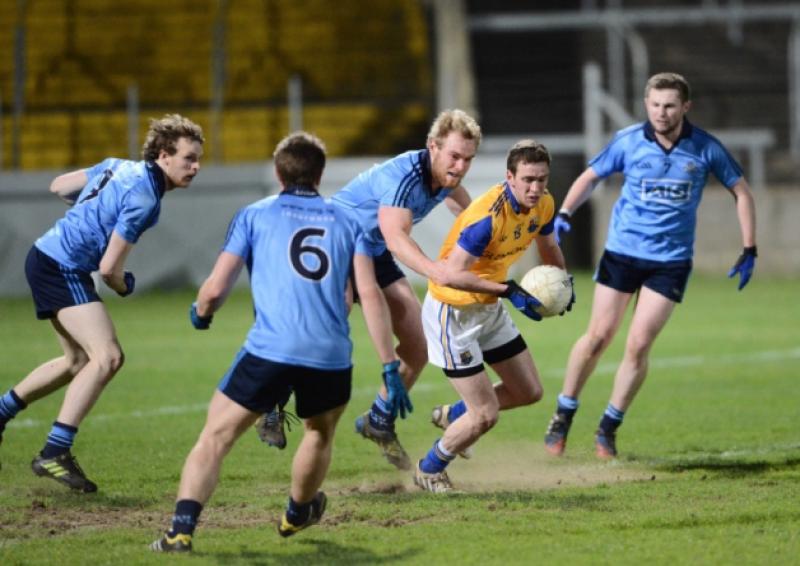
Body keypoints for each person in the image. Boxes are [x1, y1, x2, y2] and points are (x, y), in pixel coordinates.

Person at [150, 132, 399, 552]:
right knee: (318, 434)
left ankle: (180, 532)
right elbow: (368, 294)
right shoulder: (349, 222)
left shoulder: (254, 215)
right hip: (330, 352)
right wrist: (390, 363)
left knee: (215, 437)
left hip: (271, 348)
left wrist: (202, 313)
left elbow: (214, 289)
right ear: (319, 175)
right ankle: (297, 511)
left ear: (277, 172)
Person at [543, 72, 757, 459]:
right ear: (647, 105)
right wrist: (565, 211)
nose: (662, 112)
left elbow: (741, 191)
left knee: (639, 344)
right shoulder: (628, 141)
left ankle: (608, 428)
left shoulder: (705, 148)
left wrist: (749, 247)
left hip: (670, 262)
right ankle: (563, 414)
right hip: (622, 253)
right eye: (655, 104)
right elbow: (592, 175)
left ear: (685, 107)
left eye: (670, 105)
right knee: (598, 337)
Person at [256, 109, 482, 471]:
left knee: (418, 343)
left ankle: (379, 419)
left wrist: (492, 237)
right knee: (323, 334)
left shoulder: (447, 178)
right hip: (337, 245)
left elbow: (470, 214)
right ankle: (270, 403)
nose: (460, 166)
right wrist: (439, 272)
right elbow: (396, 238)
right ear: (433, 147)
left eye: (468, 159)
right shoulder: (407, 177)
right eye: (454, 156)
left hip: (372, 252)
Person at [0, 114, 204, 490]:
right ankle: (54, 452)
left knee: (77, 360)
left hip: (47, 256)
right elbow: (110, 270)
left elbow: (59, 187)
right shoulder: (145, 197)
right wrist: (125, 286)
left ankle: (2, 411)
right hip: (62, 266)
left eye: (197, 159)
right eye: (189, 158)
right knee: (108, 357)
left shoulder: (117, 166)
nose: (196, 167)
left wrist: (93, 208)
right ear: (163, 155)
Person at [413, 140, 573, 493]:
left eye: (542, 180)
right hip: (452, 314)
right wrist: (510, 291)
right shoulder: (486, 218)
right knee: (485, 415)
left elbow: (548, 246)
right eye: (528, 179)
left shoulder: (543, 204)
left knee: (528, 391)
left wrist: (564, 284)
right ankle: (429, 468)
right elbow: (450, 274)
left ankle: (454, 416)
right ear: (509, 177)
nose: (535, 188)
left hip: (488, 305)